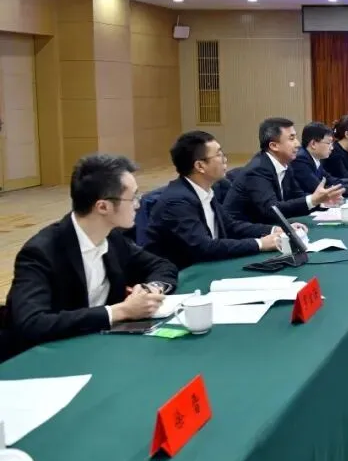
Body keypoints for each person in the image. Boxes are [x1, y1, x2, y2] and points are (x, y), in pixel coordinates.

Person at [4, 155, 178, 357]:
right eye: (133, 198)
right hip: (47, 357)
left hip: (100, 348)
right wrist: (120, 311)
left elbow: (162, 265)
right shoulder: (41, 252)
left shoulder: (112, 238)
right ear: (103, 206)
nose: (138, 205)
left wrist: (151, 289)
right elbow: (32, 323)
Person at [145, 131, 284, 269]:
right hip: (182, 274)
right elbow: (203, 246)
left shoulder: (208, 189)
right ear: (200, 166)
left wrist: (275, 230)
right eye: (218, 154)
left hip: (209, 265)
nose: (225, 159)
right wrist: (260, 244)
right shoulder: (177, 202)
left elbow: (231, 226)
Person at [224, 117, 344, 225]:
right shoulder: (258, 169)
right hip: (244, 233)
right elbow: (271, 209)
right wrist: (313, 200)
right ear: (274, 146)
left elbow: (297, 196)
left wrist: (321, 201)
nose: (298, 144)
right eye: (291, 138)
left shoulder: (285, 165)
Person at [293, 122, 348, 195]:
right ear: (313, 144)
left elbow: (331, 180)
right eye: (329, 143)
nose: (332, 148)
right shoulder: (300, 159)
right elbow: (317, 188)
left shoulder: (315, 158)